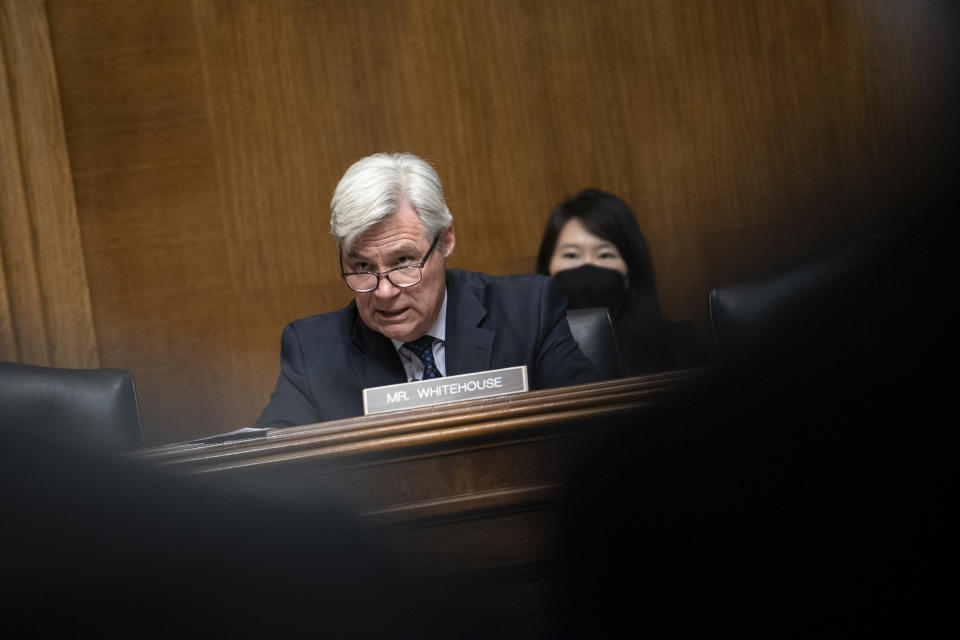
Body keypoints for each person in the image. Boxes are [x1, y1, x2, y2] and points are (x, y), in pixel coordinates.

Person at [257, 153, 598, 427]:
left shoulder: (527, 311)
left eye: (403, 261)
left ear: (446, 239)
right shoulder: (313, 351)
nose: (385, 291)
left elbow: (593, 428)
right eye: (362, 267)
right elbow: (271, 467)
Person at [536, 188, 709, 375]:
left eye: (605, 254)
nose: (588, 266)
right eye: (571, 255)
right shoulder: (532, 355)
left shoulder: (679, 345)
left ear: (630, 268)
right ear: (547, 266)